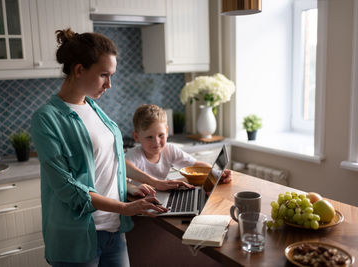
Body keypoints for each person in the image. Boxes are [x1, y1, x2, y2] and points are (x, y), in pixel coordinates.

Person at [31, 29, 182, 267]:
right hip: (77, 237)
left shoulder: (93, 107)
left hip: (114, 229)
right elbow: (68, 188)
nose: (109, 85)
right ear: (79, 70)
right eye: (104, 75)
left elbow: (115, 160)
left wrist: (157, 183)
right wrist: (125, 207)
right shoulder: (47, 118)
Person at [125, 104, 232, 186]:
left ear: (167, 132)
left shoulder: (169, 149)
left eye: (161, 135)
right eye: (149, 137)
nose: (156, 142)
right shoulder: (133, 156)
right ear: (136, 137)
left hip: (162, 196)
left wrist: (217, 173)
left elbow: (195, 165)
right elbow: (123, 182)